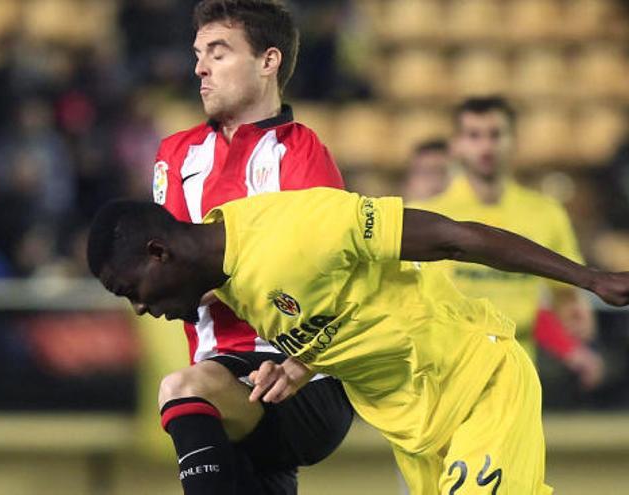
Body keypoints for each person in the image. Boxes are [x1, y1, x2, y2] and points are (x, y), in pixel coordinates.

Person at [86, 188, 629, 494]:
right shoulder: (225, 271)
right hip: (416, 433)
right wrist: (300, 361)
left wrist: (588, 278)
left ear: (159, 252)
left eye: (130, 290)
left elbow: (452, 237)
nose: (139, 307)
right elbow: (335, 307)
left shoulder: (298, 230)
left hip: (476, 382)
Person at [150, 1, 351, 493]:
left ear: (268, 61)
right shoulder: (176, 155)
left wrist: (205, 279)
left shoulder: (300, 153)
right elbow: (169, 271)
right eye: (198, 53)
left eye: (218, 53)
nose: (199, 67)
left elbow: (328, 271)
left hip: (302, 374)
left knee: (181, 389)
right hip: (225, 382)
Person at [414, 96, 604, 391]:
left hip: (516, 376)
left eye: (495, 134)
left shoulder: (545, 213)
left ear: (514, 141)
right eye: (474, 136)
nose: (486, 146)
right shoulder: (428, 216)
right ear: (456, 145)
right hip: (444, 376)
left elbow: (564, 294)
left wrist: (575, 317)